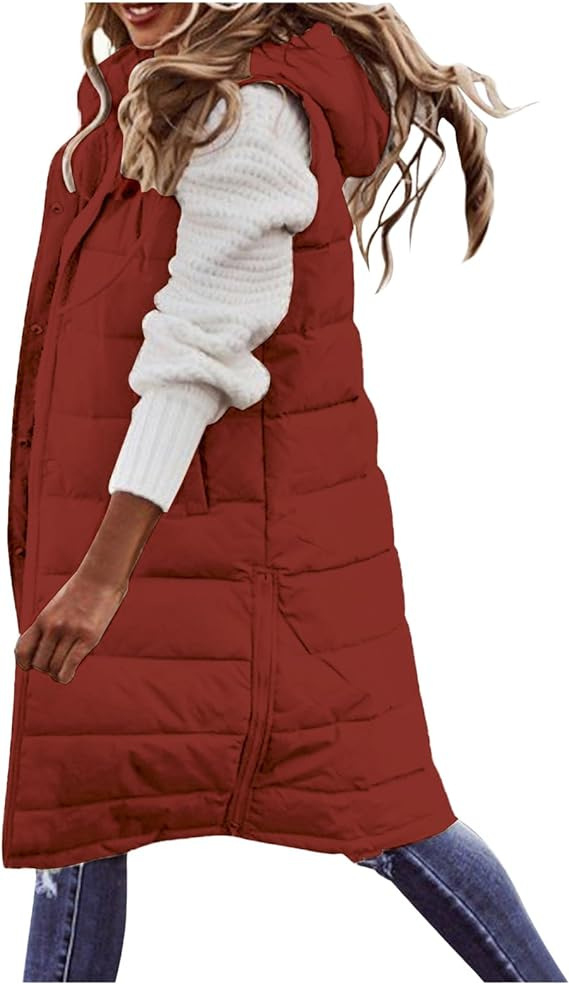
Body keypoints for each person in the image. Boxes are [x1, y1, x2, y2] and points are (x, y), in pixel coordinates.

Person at [2, 3, 565, 982]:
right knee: (85, 804)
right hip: (158, 535)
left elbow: (201, 343)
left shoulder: (252, 109)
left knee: (376, 805)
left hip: (252, 555)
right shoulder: (142, 98)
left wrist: (100, 572)